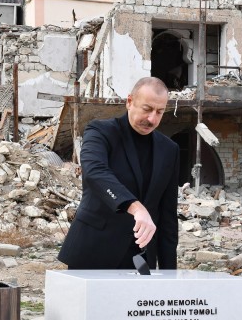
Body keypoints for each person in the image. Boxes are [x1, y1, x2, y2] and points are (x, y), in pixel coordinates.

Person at [58, 77, 180, 270]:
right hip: (93, 250)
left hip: (141, 258)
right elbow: (95, 173)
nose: (152, 119)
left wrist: (169, 274)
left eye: (160, 112)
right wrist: (136, 207)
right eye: (147, 109)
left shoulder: (169, 149)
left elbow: (168, 218)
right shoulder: (100, 131)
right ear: (129, 101)